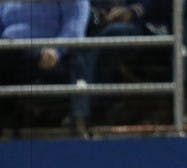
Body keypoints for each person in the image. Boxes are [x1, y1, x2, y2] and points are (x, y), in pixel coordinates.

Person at [0, 0, 91, 135]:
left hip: (44, 54)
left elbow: (74, 31)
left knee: (0, 56)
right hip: (6, 51)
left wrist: (56, 51)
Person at [70, 0, 174, 134]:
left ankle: (88, 112)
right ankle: (84, 113)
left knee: (105, 39)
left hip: (143, 25)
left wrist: (133, 11)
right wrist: (99, 13)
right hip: (98, 24)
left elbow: (163, 5)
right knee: (83, 44)